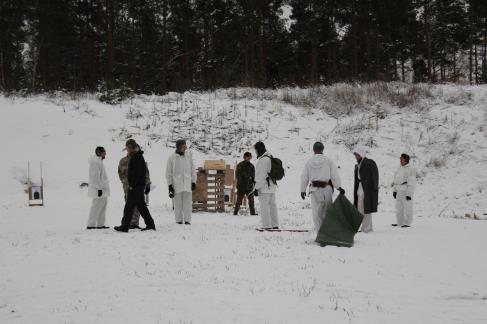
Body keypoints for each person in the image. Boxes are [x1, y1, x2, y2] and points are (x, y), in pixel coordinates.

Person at [300, 142, 344, 233]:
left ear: (313, 150)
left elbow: (304, 177)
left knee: (317, 213)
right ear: (322, 149)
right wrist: (339, 187)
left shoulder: (309, 162)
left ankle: (320, 234)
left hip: (315, 189)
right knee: (328, 211)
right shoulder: (328, 161)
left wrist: (302, 190)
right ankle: (328, 233)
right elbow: (334, 176)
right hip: (327, 188)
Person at [114, 140, 156, 232]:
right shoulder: (126, 160)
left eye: (128, 148)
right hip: (133, 186)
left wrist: (144, 185)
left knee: (129, 206)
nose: (127, 150)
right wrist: (127, 183)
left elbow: (141, 174)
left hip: (135, 187)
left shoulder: (137, 157)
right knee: (141, 206)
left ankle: (125, 226)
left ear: (131, 148)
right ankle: (150, 224)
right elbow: (122, 174)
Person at [166, 139, 196, 225]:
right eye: (184, 146)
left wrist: (193, 182)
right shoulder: (172, 158)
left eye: (185, 146)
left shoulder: (188, 157)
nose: (186, 147)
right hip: (177, 185)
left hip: (187, 184)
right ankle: (178, 220)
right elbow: (168, 173)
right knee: (177, 204)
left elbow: (193, 170)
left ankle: (187, 220)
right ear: (179, 147)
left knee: (188, 204)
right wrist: (170, 186)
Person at [352, 145, 379, 233]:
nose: (356, 157)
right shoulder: (358, 165)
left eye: (357, 155)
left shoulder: (369, 163)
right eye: (355, 155)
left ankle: (366, 228)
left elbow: (375, 177)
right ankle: (367, 227)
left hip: (367, 189)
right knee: (360, 208)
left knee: (366, 208)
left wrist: (373, 189)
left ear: (361, 154)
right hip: (360, 188)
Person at [254, 141, 279, 230]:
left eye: (256, 150)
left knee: (264, 206)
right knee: (272, 206)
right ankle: (275, 224)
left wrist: (256, 188)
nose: (256, 152)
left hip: (264, 188)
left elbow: (260, 176)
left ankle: (267, 226)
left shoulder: (263, 160)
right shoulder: (270, 157)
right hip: (272, 186)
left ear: (258, 149)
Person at [87, 146, 110, 229]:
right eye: (104, 152)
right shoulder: (95, 162)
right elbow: (95, 177)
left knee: (102, 206)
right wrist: (98, 188)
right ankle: (90, 224)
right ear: (99, 153)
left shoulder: (99, 161)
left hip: (103, 189)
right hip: (98, 189)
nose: (105, 154)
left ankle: (101, 224)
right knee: (96, 207)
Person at [392, 153, 416, 228]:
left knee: (407, 207)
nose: (400, 160)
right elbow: (395, 180)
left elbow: (412, 182)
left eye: (402, 158)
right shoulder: (399, 168)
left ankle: (407, 223)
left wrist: (409, 194)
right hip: (398, 190)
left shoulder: (410, 169)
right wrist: (394, 191)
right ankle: (399, 222)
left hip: (405, 191)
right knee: (398, 208)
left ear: (406, 160)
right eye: (400, 158)